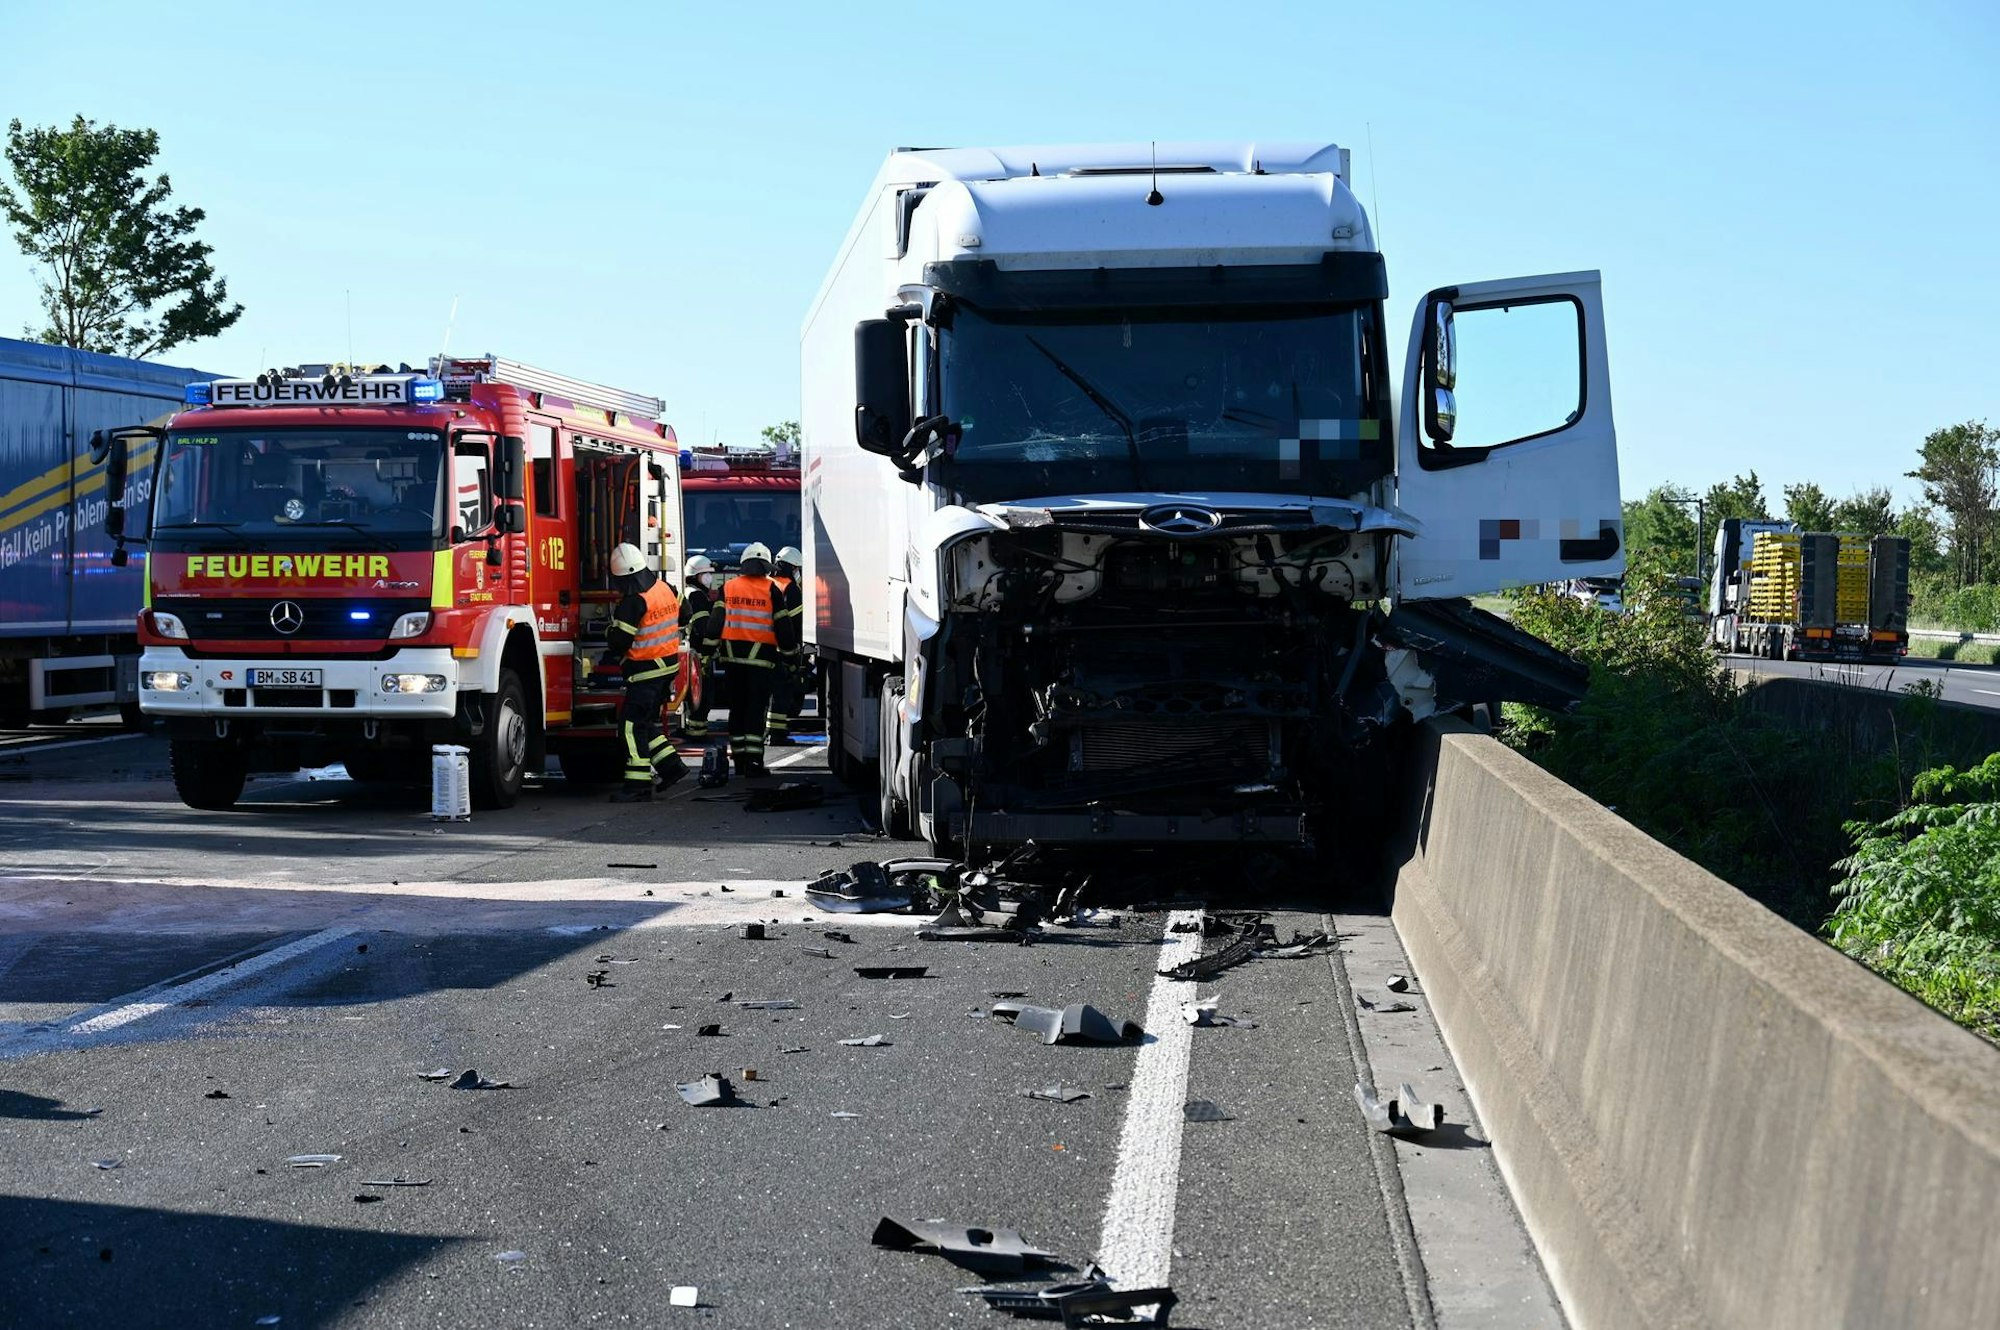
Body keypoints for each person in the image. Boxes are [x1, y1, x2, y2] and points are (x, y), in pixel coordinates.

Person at [600, 542, 690, 802]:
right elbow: (685, 615)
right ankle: (672, 767)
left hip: (645, 672)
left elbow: (618, 643)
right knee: (644, 723)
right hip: (666, 668)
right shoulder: (665, 588)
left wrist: (609, 630)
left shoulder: (633, 602)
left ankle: (637, 785)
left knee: (629, 726)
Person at [713, 541, 797, 780]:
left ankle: (739, 761)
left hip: (731, 663)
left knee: (737, 710)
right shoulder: (772, 589)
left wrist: (708, 653)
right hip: (762, 664)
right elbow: (784, 627)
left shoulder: (728, 588)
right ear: (766, 566)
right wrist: (791, 658)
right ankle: (753, 762)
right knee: (755, 711)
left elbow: (715, 623)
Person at [765, 545, 807, 747]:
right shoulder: (790, 588)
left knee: (766, 692)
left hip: (762, 647)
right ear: (792, 567)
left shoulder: (768, 583)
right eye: (798, 568)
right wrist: (797, 654)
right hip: (783, 648)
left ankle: (767, 731)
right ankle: (777, 733)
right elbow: (796, 623)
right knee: (782, 693)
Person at [678, 554, 722, 743]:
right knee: (703, 695)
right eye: (706, 574)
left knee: (696, 694)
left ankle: (695, 729)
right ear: (696, 576)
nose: (709, 578)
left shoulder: (690, 593)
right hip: (699, 653)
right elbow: (703, 627)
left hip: (692, 652)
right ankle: (697, 733)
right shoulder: (696, 596)